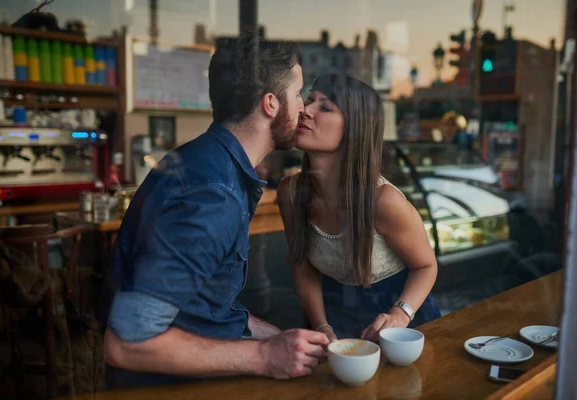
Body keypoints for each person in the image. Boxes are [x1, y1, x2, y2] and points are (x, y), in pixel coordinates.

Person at [102, 34, 329, 388]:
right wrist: (265, 356)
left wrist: (279, 340)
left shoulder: (205, 161)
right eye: (298, 94)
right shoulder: (213, 195)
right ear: (270, 104)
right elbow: (127, 344)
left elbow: (203, 311)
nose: (303, 107)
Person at [277, 74, 441, 343]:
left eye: (326, 107)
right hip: (332, 317)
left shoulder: (383, 201)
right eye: (309, 100)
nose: (305, 110)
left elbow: (426, 266)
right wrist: (321, 327)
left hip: (403, 324)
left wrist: (400, 315)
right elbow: (302, 265)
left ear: (355, 129)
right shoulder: (290, 193)